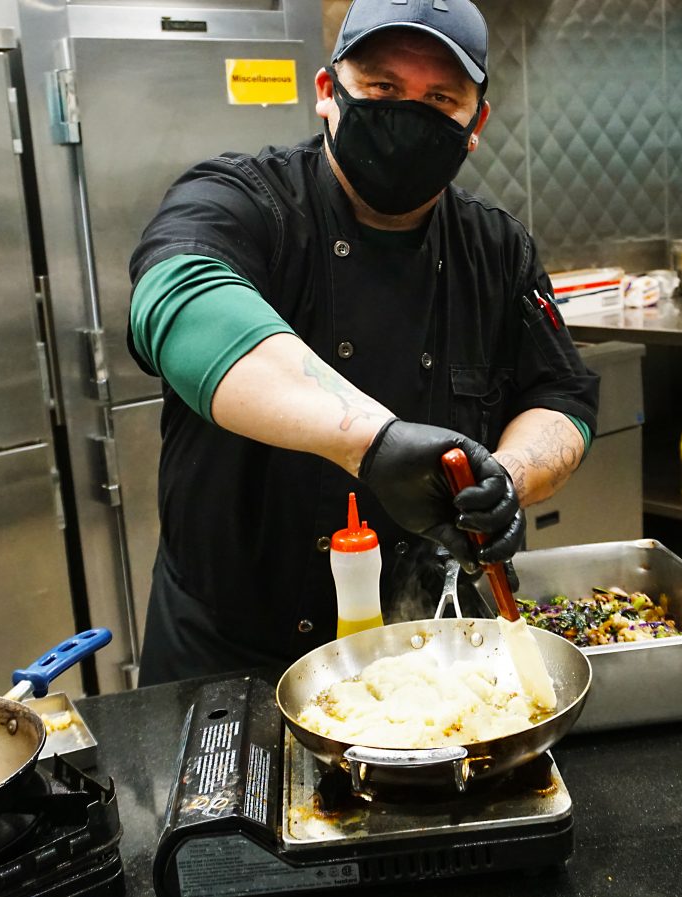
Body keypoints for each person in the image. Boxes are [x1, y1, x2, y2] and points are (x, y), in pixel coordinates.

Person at [127, 0, 599, 686]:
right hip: (227, 661)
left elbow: (563, 394)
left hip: (427, 653)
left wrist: (509, 475)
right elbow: (179, 298)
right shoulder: (243, 200)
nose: (408, 113)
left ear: (476, 125)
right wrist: (374, 443)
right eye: (382, 88)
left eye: (441, 98)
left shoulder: (497, 249)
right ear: (328, 92)